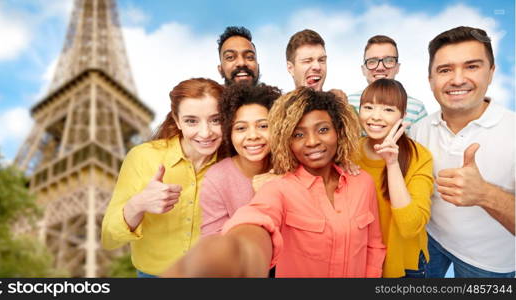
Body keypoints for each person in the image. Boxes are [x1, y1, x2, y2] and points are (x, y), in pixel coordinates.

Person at [163, 87, 386, 277]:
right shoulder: (278, 188)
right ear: (286, 141)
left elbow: (374, 247)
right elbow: (256, 223)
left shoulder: (362, 183)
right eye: (298, 135)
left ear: (339, 132)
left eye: (323, 130)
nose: (312, 141)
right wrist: (234, 254)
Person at [410, 26, 515, 277]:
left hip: (489, 265)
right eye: (445, 70)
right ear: (431, 80)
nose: (457, 79)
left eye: (471, 66)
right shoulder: (418, 129)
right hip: (430, 241)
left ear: (491, 73)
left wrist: (485, 194)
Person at [101, 78, 224, 277]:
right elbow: (109, 238)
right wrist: (137, 204)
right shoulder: (143, 157)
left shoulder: (233, 164)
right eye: (191, 121)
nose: (205, 132)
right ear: (177, 121)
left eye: (216, 120)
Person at [356, 78, 434, 277]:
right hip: (360, 259)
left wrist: (392, 164)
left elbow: (410, 227)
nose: (375, 117)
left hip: (404, 264)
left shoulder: (420, 156)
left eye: (388, 109)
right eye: (368, 107)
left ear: (403, 116)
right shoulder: (348, 152)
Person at [200, 83, 281, 237]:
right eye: (241, 128)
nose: (253, 135)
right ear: (229, 134)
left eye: (263, 126)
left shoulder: (289, 166)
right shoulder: (217, 179)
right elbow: (213, 240)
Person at [348, 35, 427, 125]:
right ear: (363, 69)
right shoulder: (347, 103)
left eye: (389, 60)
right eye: (372, 61)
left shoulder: (417, 109)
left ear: (397, 67)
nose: (380, 67)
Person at [285, 29, 348, 100]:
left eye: (321, 60)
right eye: (307, 61)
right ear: (290, 68)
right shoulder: (279, 109)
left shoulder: (340, 105)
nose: (317, 67)